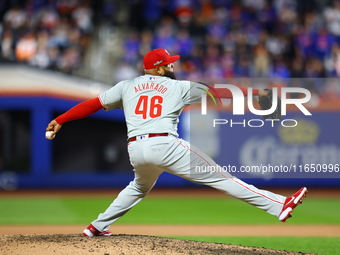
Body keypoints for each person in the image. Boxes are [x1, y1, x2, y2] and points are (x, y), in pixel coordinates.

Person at [46, 48, 307, 237]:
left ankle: (96, 227)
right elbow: (223, 93)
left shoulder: (126, 86)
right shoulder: (179, 87)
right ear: (158, 69)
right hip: (165, 146)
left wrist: (61, 119)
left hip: (135, 149)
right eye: (168, 64)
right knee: (222, 178)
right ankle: (279, 205)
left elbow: (93, 104)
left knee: (138, 187)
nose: (173, 66)